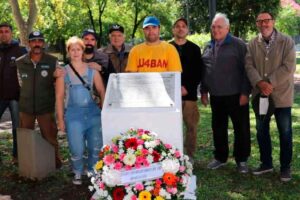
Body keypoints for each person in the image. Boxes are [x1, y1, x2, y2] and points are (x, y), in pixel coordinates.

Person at [245, 11, 296, 181]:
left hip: (281, 95)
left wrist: (270, 83)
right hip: (261, 96)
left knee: (286, 132)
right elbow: (249, 65)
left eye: (267, 20)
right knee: (261, 131)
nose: (263, 24)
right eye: (260, 21)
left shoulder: (287, 41)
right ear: (257, 24)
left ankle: (285, 167)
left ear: (273, 22)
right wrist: (260, 83)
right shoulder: (252, 43)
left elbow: (288, 66)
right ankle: (266, 163)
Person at [201, 13, 251, 173]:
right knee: (218, 128)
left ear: (227, 28)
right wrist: (203, 91)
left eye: (219, 27)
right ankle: (220, 158)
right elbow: (205, 71)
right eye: (213, 27)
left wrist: (245, 92)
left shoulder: (239, 45)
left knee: (241, 128)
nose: (216, 30)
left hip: (237, 95)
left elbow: (247, 70)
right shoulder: (208, 45)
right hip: (216, 96)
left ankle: (241, 160)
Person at [56, 36, 105, 185]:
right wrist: (61, 120)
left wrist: (104, 112)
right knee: (76, 147)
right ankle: (77, 171)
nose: (76, 52)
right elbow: (59, 98)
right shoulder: (63, 72)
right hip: (73, 114)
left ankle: (92, 171)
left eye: (78, 49)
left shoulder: (92, 70)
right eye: (72, 49)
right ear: (68, 52)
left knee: (94, 146)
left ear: (83, 51)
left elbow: (102, 91)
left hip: (93, 114)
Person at [16, 31, 62, 168]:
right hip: (26, 108)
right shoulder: (19, 62)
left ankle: (55, 164)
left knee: (50, 137)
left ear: (43, 43)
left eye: (40, 41)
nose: (37, 44)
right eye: (34, 41)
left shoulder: (53, 61)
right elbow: (18, 84)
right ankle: (25, 165)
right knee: (25, 138)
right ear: (28, 43)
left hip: (45, 107)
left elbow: (57, 83)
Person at [170, 18, 203, 160]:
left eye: (183, 26)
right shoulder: (167, 47)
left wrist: (187, 88)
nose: (180, 29)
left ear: (187, 30)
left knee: (191, 127)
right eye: (177, 26)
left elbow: (198, 72)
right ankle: (171, 154)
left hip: (189, 96)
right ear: (173, 29)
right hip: (170, 96)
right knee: (171, 126)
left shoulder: (194, 49)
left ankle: (189, 155)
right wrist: (175, 87)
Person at [0, 22, 26, 163]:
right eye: (1, 31)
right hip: (0, 96)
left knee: (17, 127)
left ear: (11, 33)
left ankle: (17, 156)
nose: (4, 34)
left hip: (16, 96)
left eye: (6, 31)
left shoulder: (20, 50)